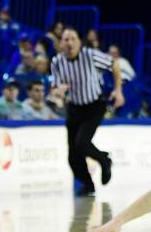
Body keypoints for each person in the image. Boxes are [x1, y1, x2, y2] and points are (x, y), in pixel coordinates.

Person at [51, 27, 125, 196]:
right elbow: (54, 89)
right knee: (72, 156)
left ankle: (104, 161)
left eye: (72, 39)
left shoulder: (90, 55)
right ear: (61, 43)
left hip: (94, 105)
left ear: (79, 41)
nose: (69, 43)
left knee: (82, 143)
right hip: (75, 107)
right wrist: (58, 91)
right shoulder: (56, 62)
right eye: (66, 39)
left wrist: (118, 90)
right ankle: (88, 184)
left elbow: (114, 64)